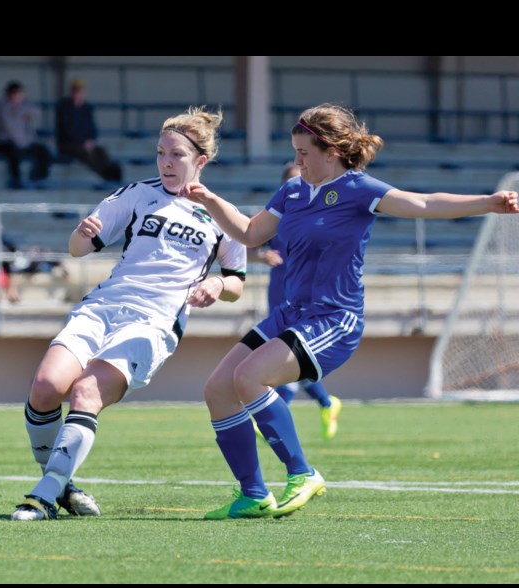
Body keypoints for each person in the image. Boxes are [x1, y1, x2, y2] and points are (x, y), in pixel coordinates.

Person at [181, 103, 519, 520]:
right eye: (295, 152)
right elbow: (250, 233)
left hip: (333, 319)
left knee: (249, 377)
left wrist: (488, 202)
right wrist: (210, 200)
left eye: (304, 153)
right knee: (218, 388)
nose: (297, 161)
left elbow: (425, 203)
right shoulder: (291, 191)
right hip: (291, 315)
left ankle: (302, 474)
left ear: (332, 151)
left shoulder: (359, 189)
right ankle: (253, 493)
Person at [10, 106, 248, 521]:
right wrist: (80, 234)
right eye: (161, 153)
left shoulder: (219, 214)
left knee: (86, 392)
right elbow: (78, 249)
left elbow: (237, 282)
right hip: (103, 305)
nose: (167, 162)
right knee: (46, 386)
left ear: (201, 161)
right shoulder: (138, 194)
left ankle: (43, 496)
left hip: (153, 322)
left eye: (177, 155)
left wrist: (216, 285)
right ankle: (61, 482)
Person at [249, 163, 342, 440]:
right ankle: (326, 403)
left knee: (290, 353)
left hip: (308, 295)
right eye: (291, 181)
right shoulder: (276, 216)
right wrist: (260, 257)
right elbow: (247, 242)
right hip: (279, 291)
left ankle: (273, 419)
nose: (298, 185)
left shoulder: (322, 216)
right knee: (283, 353)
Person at [55, 78, 122, 183]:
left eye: (80, 91)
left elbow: (92, 128)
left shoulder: (87, 108)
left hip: (85, 143)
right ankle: (104, 175)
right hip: (68, 144)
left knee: (101, 151)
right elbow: (67, 130)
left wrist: (90, 141)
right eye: (76, 91)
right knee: (84, 154)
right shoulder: (64, 107)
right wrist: (83, 142)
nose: (78, 94)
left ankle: (111, 173)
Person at [0, 81, 52, 189]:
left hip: (23, 143)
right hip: (5, 142)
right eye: (15, 93)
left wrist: (22, 113)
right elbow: (11, 129)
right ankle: (16, 181)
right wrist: (21, 116)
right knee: (13, 153)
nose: (17, 96)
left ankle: (37, 179)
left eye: (19, 93)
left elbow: (35, 110)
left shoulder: (23, 105)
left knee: (43, 151)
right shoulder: (3, 107)